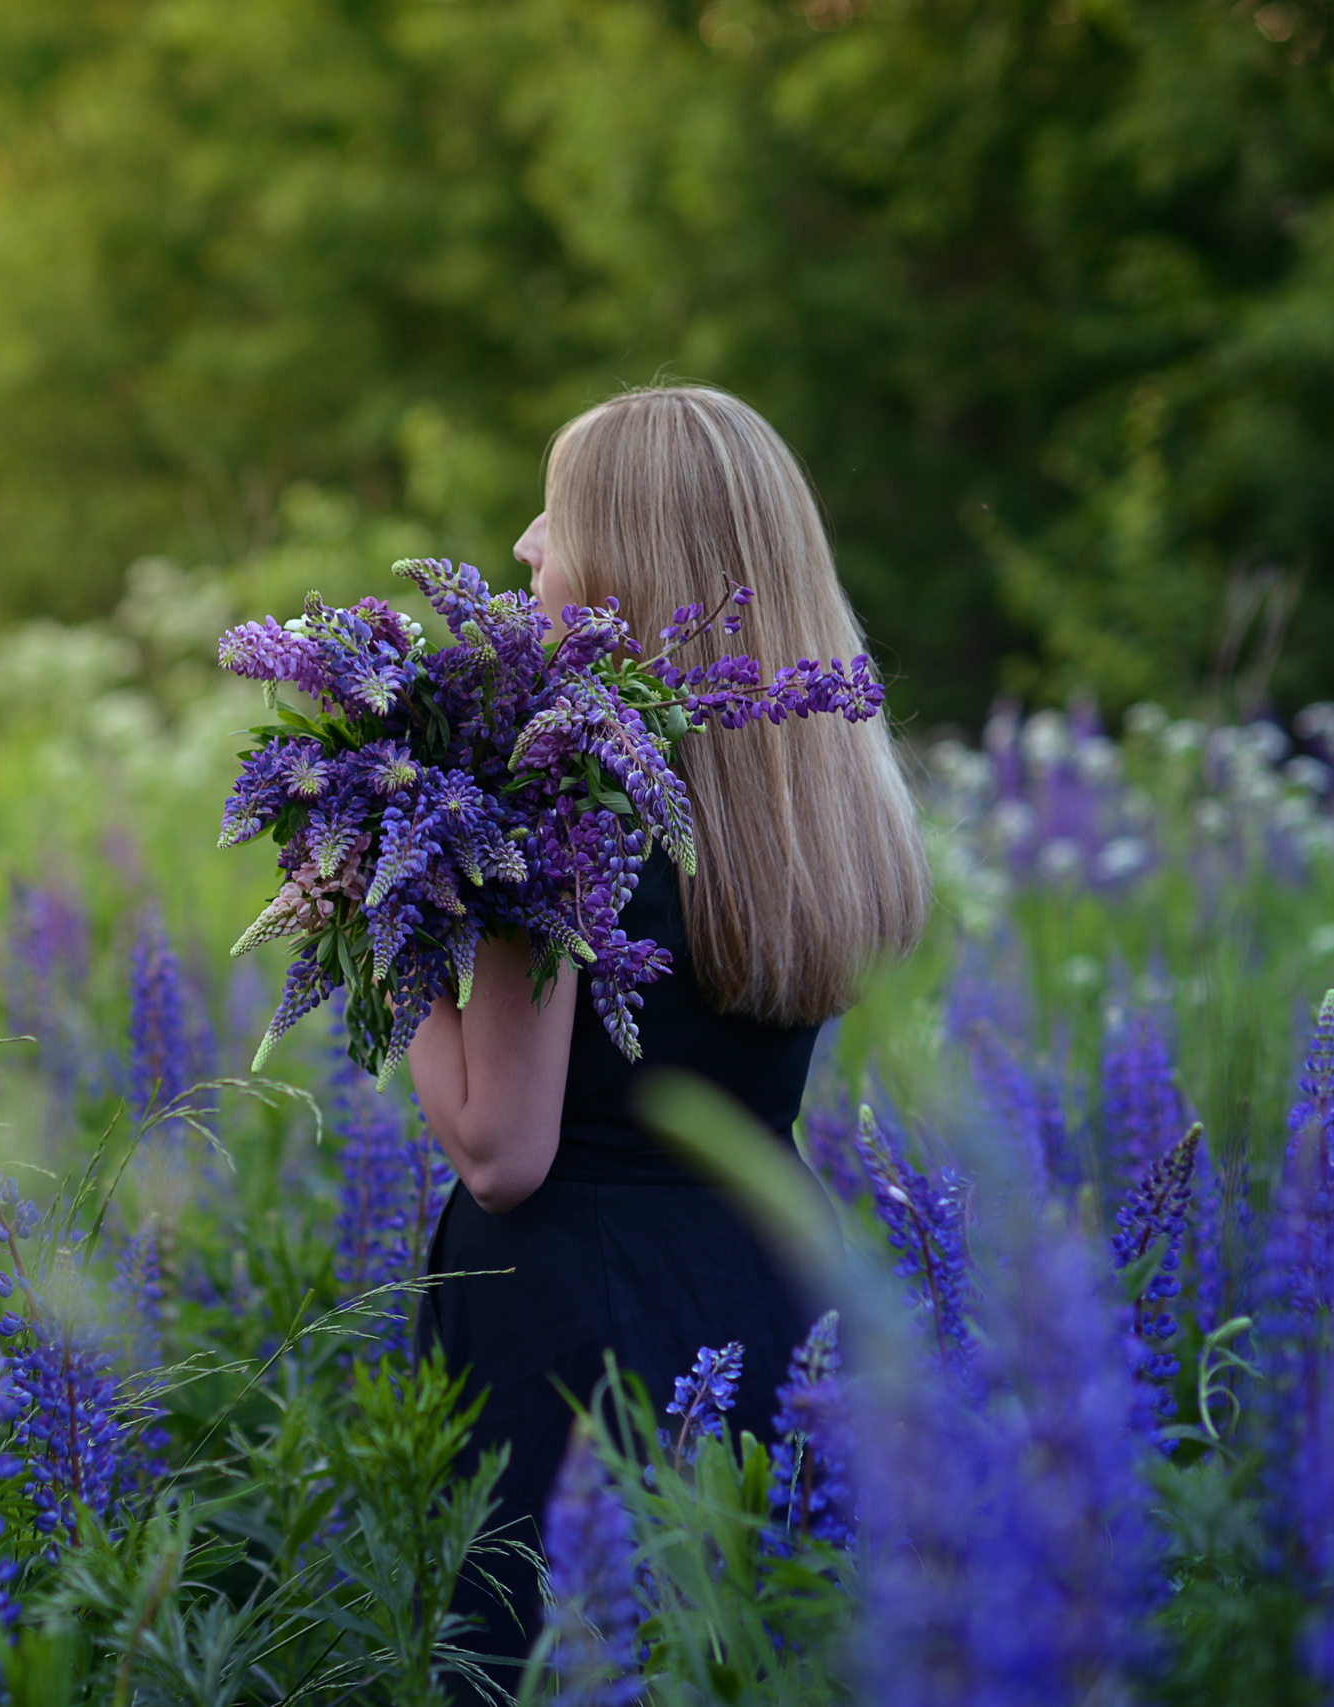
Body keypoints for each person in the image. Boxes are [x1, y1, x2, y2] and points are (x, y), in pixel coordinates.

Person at [405, 384, 931, 1685]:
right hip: (778, 1287)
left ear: (629, 558)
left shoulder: (556, 789)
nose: (526, 542)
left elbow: (498, 1148)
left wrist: (394, 920)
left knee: (564, 1665)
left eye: (558, 514)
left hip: (574, 1323)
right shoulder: (810, 797)